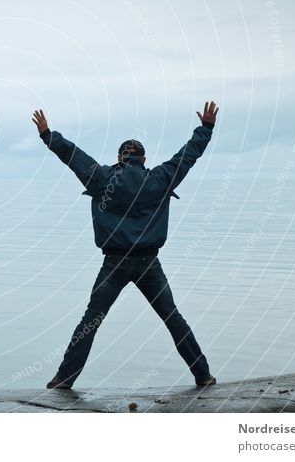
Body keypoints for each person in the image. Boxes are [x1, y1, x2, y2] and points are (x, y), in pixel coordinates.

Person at [31, 101, 220, 390]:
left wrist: (48, 135)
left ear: (120, 158)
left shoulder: (104, 178)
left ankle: (64, 380)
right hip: (149, 264)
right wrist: (205, 128)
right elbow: (188, 156)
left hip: (114, 263)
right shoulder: (160, 178)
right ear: (143, 160)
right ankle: (202, 375)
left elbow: (74, 156)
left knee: (91, 321)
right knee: (172, 318)